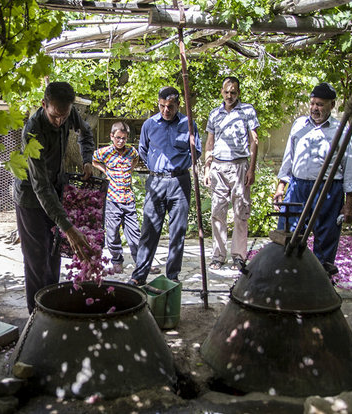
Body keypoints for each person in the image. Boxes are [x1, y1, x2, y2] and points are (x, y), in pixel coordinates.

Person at [13, 82, 95, 313]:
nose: (60, 121)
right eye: (55, 116)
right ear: (44, 105)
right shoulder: (32, 131)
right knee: (37, 261)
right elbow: (40, 186)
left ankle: (53, 308)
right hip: (31, 198)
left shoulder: (68, 113)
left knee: (53, 256)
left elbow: (86, 133)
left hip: (56, 191)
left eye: (64, 116)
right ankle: (36, 317)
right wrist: (68, 228)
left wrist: (87, 158)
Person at [272, 82, 352, 276]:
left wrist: (349, 201)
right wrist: (281, 187)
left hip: (328, 190)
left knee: (326, 237)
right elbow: (289, 157)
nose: (315, 108)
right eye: (312, 104)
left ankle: (321, 281)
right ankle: (287, 276)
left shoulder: (341, 129)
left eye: (320, 104)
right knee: (288, 233)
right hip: (298, 187)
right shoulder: (299, 125)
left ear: (332, 105)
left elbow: (349, 165)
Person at [128, 86, 202, 285]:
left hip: (180, 181)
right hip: (156, 181)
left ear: (178, 104)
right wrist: (156, 167)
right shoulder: (149, 124)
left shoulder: (189, 124)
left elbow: (197, 152)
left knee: (178, 231)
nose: (166, 110)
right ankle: (139, 276)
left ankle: (172, 276)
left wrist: (179, 165)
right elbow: (142, 150)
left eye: (170, 106)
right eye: (162, 106)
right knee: (149, 230)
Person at [204, 76, 259, 271]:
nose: (229, 95)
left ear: (238, 93)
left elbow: (254, 141)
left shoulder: (247, 111)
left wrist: (251, 169)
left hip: (240, 166)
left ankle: (238, 256)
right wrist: (207, 167)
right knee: (217, 212)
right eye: (226, 91)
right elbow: (210, 142)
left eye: (233, 92)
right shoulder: (215, 114)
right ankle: (218, 256)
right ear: (221, 91)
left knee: (240, 213)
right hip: (218, 166)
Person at [92, 121, 141, 274]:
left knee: (134, 233)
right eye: (118, 137)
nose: (121, 141)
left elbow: (136, 159)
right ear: (112, 136)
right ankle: (117, 261)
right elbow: (94, 160)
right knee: (112, 233)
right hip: (113, 199)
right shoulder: (105, 152)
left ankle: (140, 262)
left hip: (128, 199)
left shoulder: (131, 152)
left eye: (124, 138)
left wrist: (130, 170)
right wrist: (105, 170)